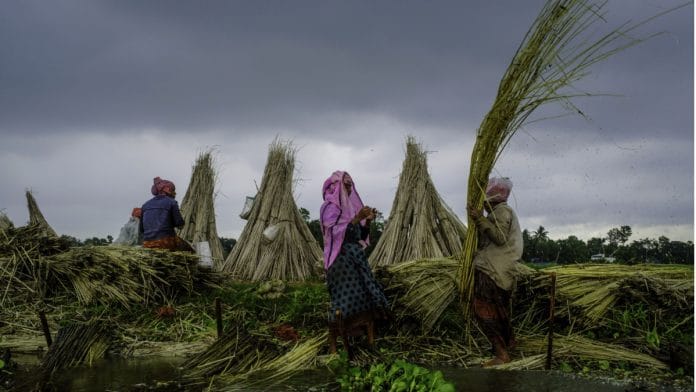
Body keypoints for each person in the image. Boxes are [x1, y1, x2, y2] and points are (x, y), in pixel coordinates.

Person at [320, 171, 388, 355]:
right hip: (340, 262)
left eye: (351, 185)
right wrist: (357, 218)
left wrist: (367, 222)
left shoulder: (349, 210)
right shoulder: (329, 208)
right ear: (336, 187)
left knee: (365, 297)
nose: (350, 188)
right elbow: (334, 234)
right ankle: (334, 345)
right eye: (346, 185)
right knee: (343, 302)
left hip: (356, 258)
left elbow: (360, 237)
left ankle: (369, 341)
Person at [467, 177, 523, 366]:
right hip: (499, 271)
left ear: (494, 198)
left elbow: (499, 237)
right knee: (498, 312)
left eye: (486, 198)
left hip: (493, 272)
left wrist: (479, 219)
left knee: (484, 311)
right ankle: (505, 349)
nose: (483, 202)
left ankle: (501, 355)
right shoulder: (502, 212)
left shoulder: (501, 212)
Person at [139, 176, 190, 251]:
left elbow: (142, 229)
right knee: (189, 250)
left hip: (147, 244)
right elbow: (180, 225)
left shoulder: (145, 205)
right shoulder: (171, 202)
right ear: (168, 190)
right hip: (165, 243)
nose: (174, 193)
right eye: (173, 190)